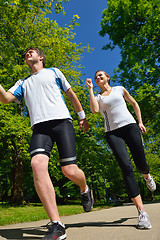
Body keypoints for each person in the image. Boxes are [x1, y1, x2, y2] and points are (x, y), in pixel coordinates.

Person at [0, 47, 93, 240]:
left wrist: (82, 116)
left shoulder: (54, 72)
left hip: (62, 122)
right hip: (40, 128)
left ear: (41, 57)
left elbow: (71, 94)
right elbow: (6, 99)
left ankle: (84, 189)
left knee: (69, 170)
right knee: (37, 164)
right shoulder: (22, 82)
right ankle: (57, 224)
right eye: (26, 52)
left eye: (31, 51)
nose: (28, 53)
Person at [86, 70, 156, 229]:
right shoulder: (98, 97)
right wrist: (90, 89)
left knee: (140, 161)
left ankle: (146, 176)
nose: (98, 78)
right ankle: (142, 212)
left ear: (108, 77)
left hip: (130, 126)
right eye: (96, 77)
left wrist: (140, 122)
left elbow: (134, 103)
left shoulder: (120, 89)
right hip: (112, 133)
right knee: (126, 167)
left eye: (101, 75)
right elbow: (95, 110)